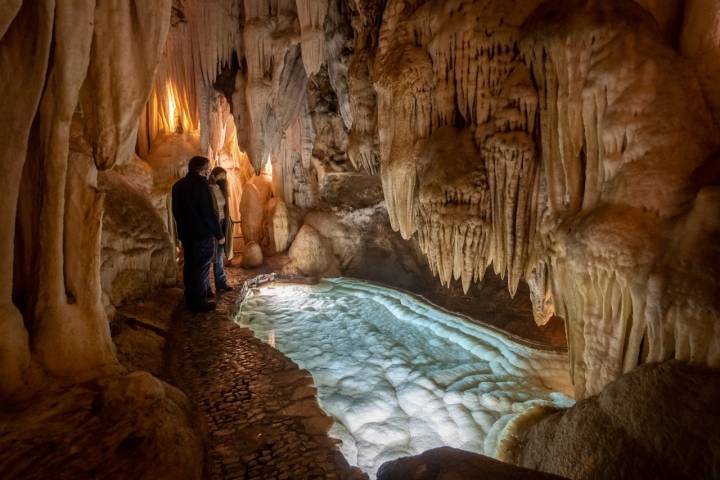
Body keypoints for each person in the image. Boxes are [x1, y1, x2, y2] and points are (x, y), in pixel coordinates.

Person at [172, 156, 224, 313]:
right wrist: (218, 234)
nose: (209, 171)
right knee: (201, 267)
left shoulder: (178, 186)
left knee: (190, 267)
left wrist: (182, 230)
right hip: (201, 235)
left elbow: (176, 212)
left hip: (187, 235)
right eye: (207, 168)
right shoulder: (201, 186)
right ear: (202, 170)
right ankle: (199, 302)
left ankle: (190, 298)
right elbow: (208, 213)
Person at [208, 166, 234, 293]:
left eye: (224, 176)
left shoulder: (223, 190)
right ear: (213, 176)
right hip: (213, 224)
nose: (223, 179)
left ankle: (221, 283)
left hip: (223, 223)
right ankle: (206, 287)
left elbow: (225, 208)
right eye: (221, 176)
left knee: (219, 255)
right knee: (210, 256)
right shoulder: (209, 190)